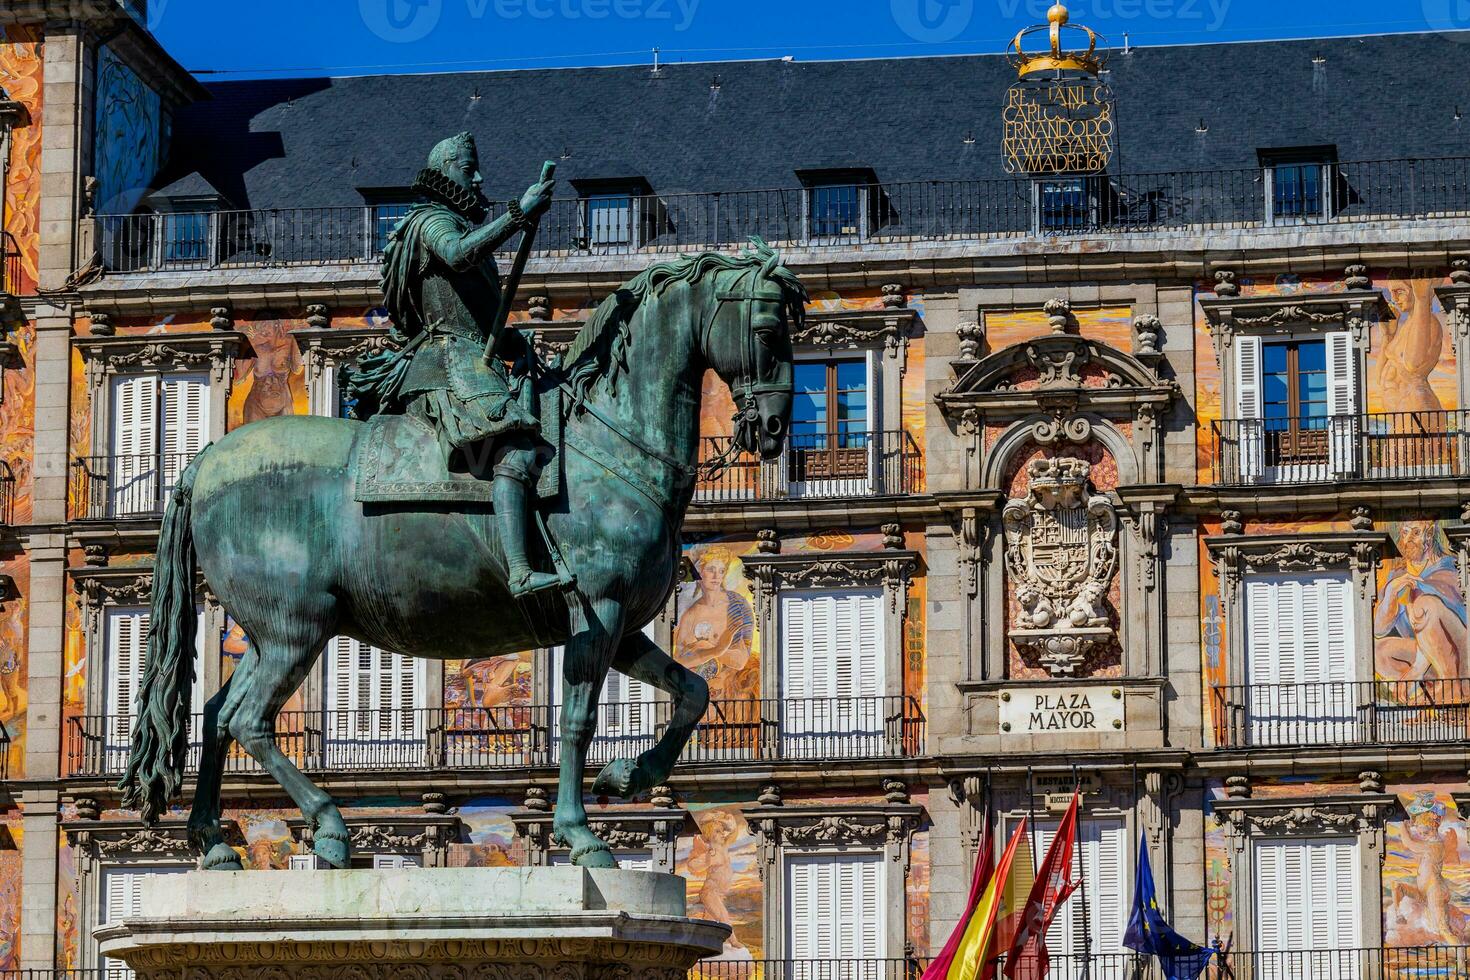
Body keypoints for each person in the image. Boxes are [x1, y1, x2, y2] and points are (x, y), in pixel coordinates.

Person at [348, 132, 559, 596]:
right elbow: (459, 256)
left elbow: (478, 318)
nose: (479, 178)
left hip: (469, 356)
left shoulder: (455, 224)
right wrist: (519, 213)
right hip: (444, 363)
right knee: (516, 450)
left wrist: (511, 340)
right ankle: (521, 570)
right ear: (445, 170)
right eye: (469, 169)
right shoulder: (428, 222)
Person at [1375, 521, 1467, 682]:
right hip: (1423, 654)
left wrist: (1418, 668)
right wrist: (1391, 592)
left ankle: (1450, 685)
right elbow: (1379, 629)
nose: (1408, 539)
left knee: (1424, 604)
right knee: (1378, 651)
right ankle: (1420, 694)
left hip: (1456, 653)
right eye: (1405, 533)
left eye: (1416, 533)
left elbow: (1436, 626)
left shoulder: (1449, 568)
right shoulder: (1399, 574)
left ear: (1429, 535)